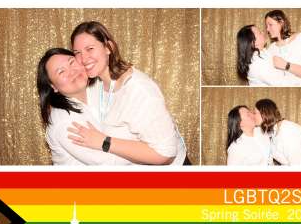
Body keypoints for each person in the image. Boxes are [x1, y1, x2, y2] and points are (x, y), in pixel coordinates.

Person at [68, 21, 189, 165]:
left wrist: (103, 142)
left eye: (90, 49)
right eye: (77, 53)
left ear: (109, 47)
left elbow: (166, 154)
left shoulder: (140, 90)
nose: (83, 58)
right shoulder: (95, 83)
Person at [37, 47, 132, 165]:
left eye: (72, 62)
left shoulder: (99, 89)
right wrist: (145, 148)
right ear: (53, 86)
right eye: (61, 71)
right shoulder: (65, 122)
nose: (72, 71)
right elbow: (108, 163)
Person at [254, 98, 301, 165]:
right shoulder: (271, 132)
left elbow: (298, 165)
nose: (253, 116)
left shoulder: (287, 131)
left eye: (255, 113)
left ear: (265, 114)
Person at [265, 9, 301, 86]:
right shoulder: (271, 49)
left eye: (270, 25)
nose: (267, 29)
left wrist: (286, 65)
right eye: (266, 26)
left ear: (281, 23)